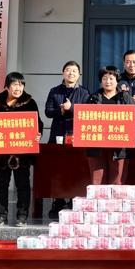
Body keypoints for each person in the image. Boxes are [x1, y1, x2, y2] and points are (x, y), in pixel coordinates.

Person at [0, 72, 42, 228]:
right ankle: (1, 216)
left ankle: (22, 216)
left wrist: (38, 134)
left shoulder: (29, 102)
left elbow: (38, 123)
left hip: (22, 153)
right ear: (7, 86)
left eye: (21, 84)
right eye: (15, 84)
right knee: (1, 185)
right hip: (1, 153)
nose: (19, 88)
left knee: (22, 185)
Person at [43, 60, 92, 219]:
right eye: (68, 70)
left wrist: (71, 109)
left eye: (74, 71)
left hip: (76, 135)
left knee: (75, 169)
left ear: (79, 74)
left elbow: (87, 112)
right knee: (57, 170)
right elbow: (48, 112)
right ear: (63, 73)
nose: (71, 73)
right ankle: (58, 201)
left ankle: (73, 199)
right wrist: (61, 111)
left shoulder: (84, 92)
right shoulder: (54, 91)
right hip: (57, 134)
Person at [86, 66, 133, 186]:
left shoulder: (125, 98)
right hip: (97, 146)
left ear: (117, 81)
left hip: (119, 147)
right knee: (97, 182)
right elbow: (86, 120)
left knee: (117, 182)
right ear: (101, 81)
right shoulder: (93, 98)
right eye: (104, 78)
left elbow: (134, 119)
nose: (108, 81)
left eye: (111, 78)